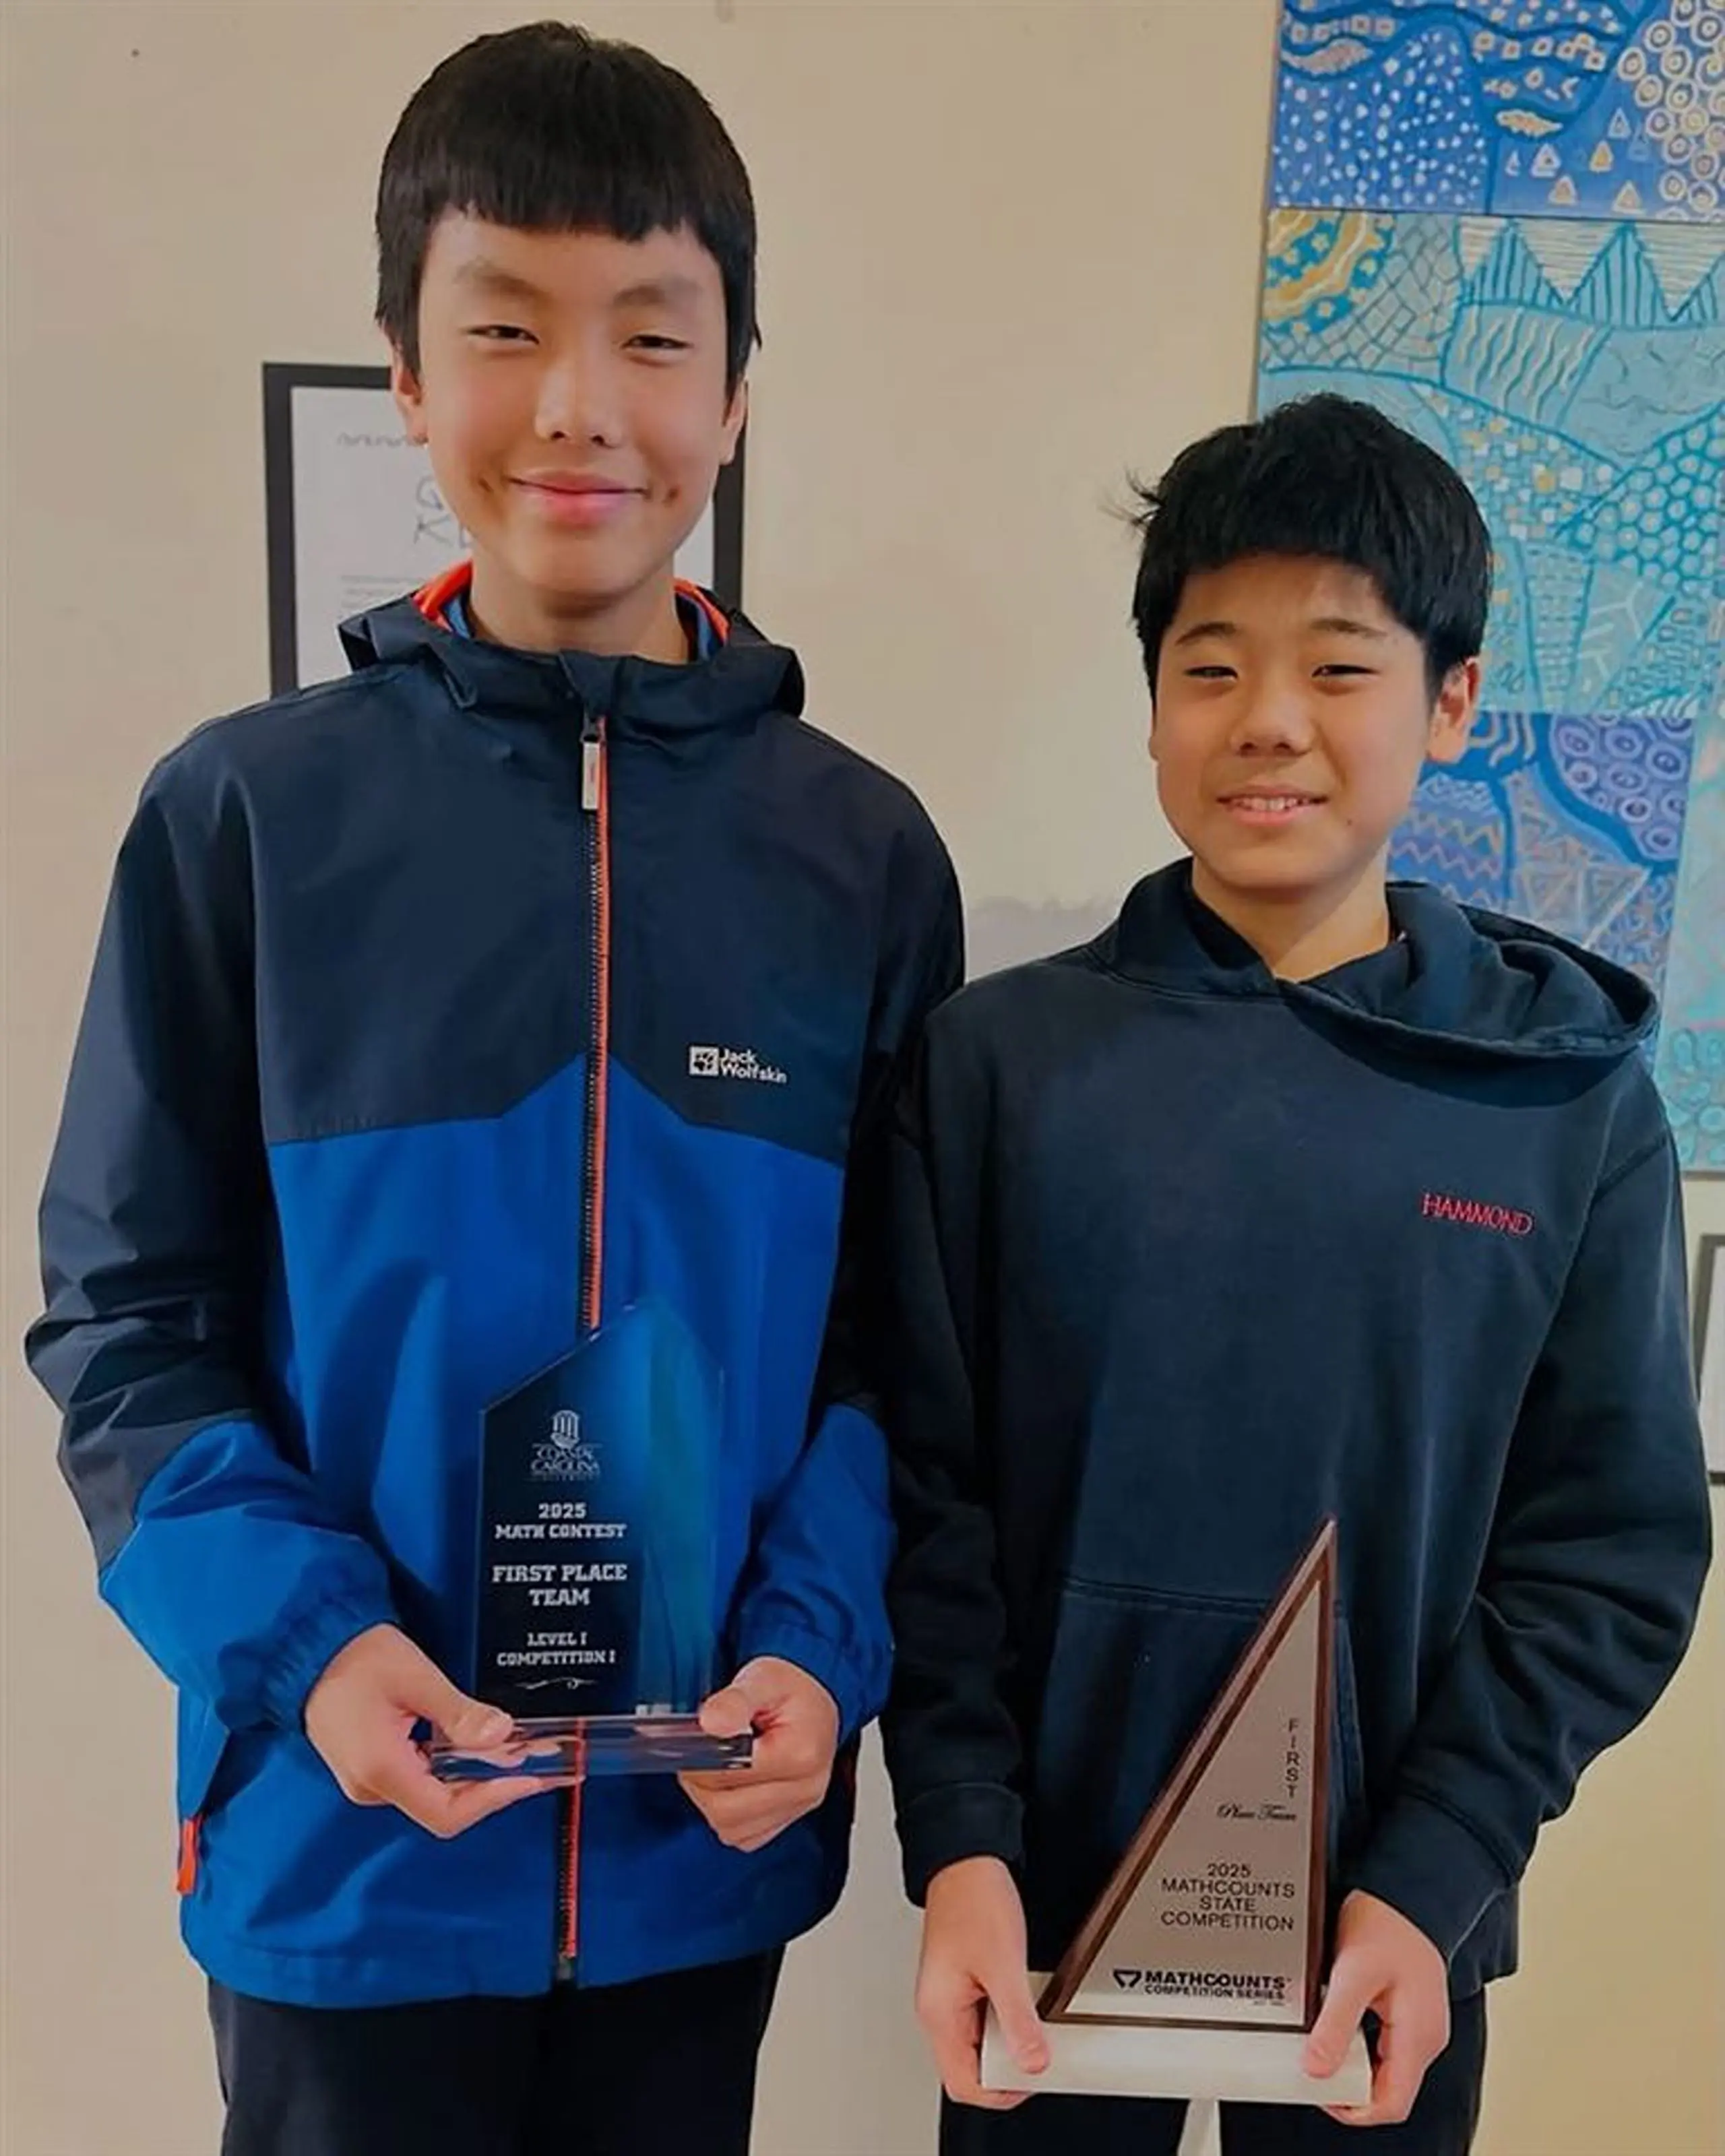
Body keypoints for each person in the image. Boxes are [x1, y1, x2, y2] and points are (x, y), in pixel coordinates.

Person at [27, 23, 960, 2156]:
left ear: (735, 386)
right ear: (406, 371)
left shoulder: (859, 858)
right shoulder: (246, 819)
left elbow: (896, 1356)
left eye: (652, 333)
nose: (580, 406)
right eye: (507, 326)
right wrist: (317, 1651)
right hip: (338, 1864)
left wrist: (820, 1660)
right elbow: (125, 1324)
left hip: (685, 1868)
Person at [881, 393, 1710, 2156]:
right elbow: (920, 1498)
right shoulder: (995, 1074)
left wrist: (1435, 1874)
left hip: (1386, 1944)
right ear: (1154, 701)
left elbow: (1606, 1550)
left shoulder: (1560, 1104)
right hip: (1039, 1928)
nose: (1268, 724)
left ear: (1452, 701)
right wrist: (957, 1843)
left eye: (1339, 669)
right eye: (1209, 667)